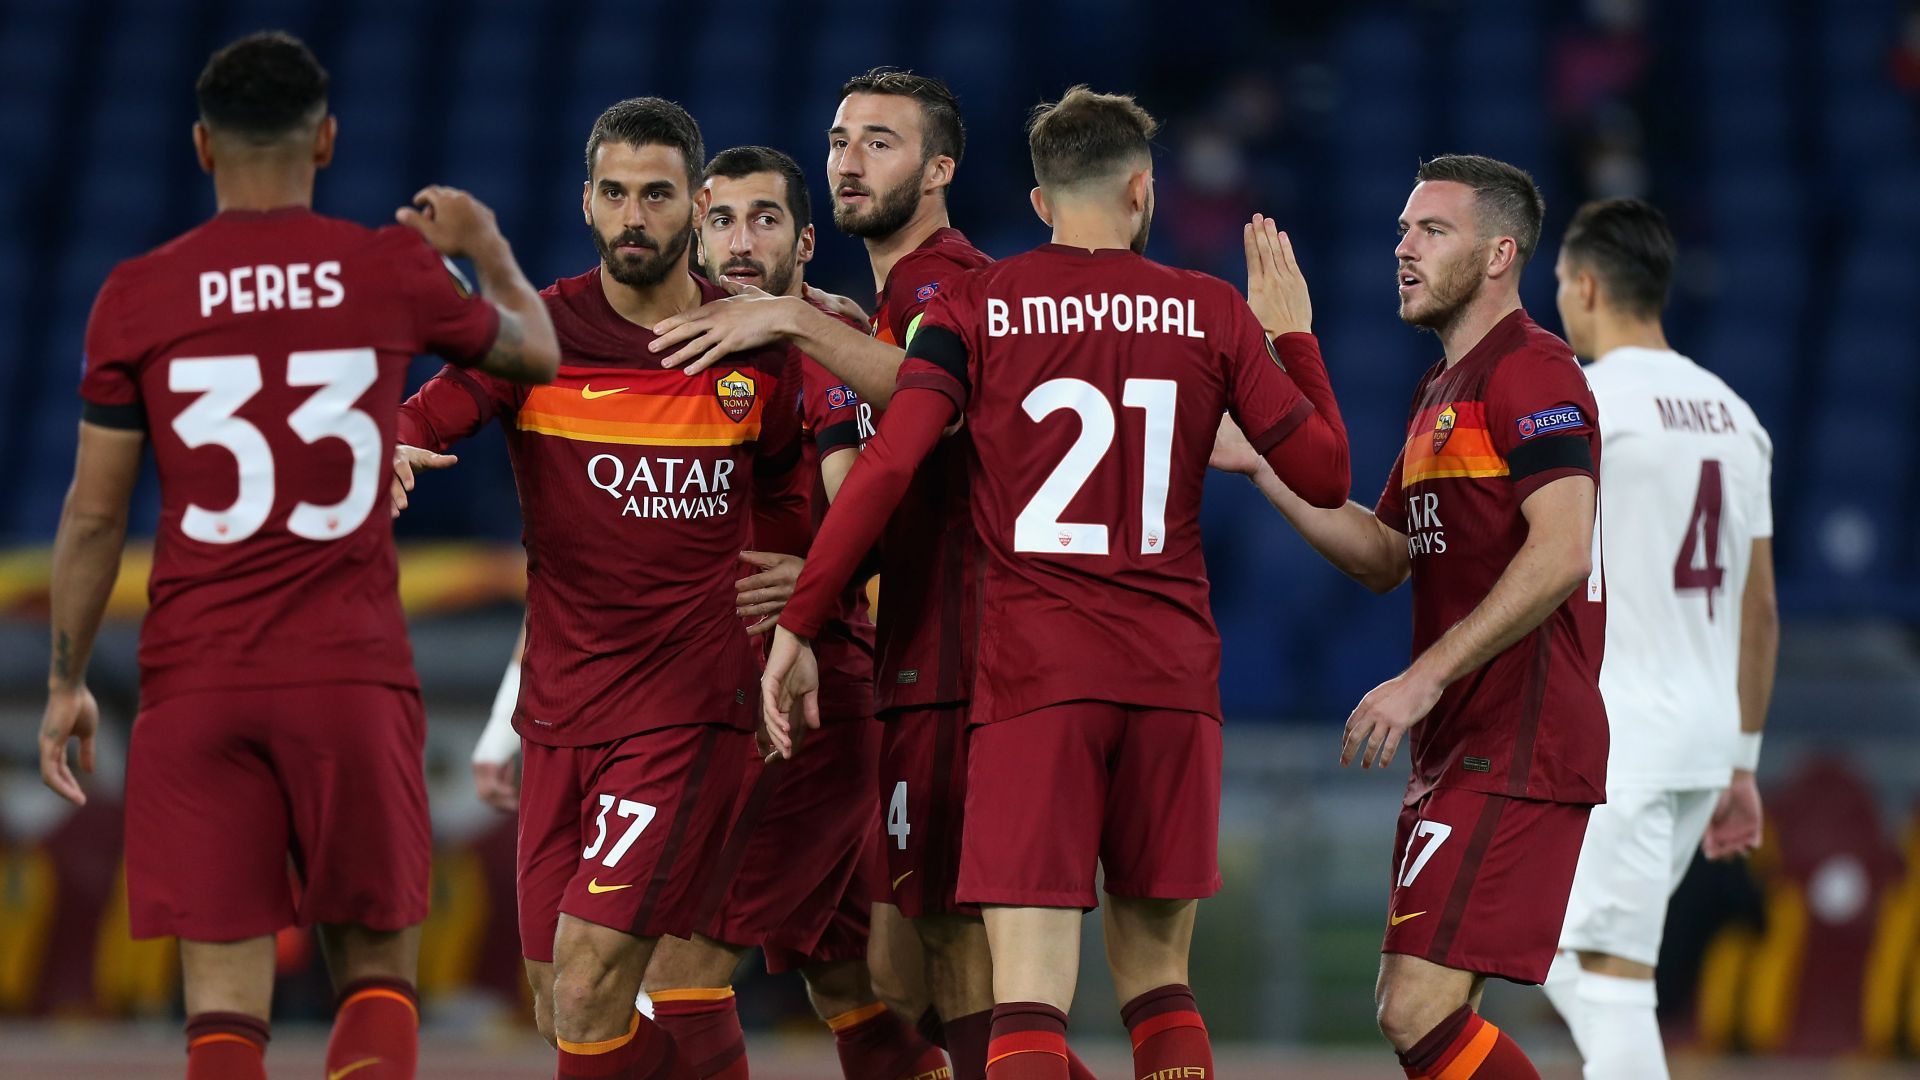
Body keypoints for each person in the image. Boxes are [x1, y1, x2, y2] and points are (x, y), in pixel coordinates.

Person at [762, 86, 1351, 1080]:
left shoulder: (975, 304)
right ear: (1142, 189)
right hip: (1169, 679)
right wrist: (1290, 335)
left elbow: (895, 466)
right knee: (1160, 985)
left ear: (1038, 202)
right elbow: (1328, 474)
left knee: (1024, 990)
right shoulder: (1208, 309)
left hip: (1033, 682)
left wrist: (800, 618)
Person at [37, 30, 558, 1080]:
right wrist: (486, 243)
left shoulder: (137, 294)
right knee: (375, 977)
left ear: (198, 146)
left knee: (223, 1011)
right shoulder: (389, 267)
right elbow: (535, 353)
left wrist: (62, 683)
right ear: (325, 140)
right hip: (347, 674)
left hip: (197, 683)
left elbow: (94, 517)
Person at [391, 98, 810, 1080]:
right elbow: (428, 411)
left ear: (695, 204)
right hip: (561, 714)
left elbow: (789, 486)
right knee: (563, 1006)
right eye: (614, 193)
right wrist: (394, 447)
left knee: (585, 984)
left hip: (687, 710)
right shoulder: (536, 335)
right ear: (586, 199)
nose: (634, 216)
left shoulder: (751, 343)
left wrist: (795, 584)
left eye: (656, 195)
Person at [648, 69, 1041, 1080]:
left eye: (880, 141)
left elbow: (919, 428)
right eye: (839, 141)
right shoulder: (873, 313)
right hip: (903, 670)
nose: (850, 161)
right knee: (878, 983)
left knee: (681, 967)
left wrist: (813, 595)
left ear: (941, 167)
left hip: (918, 674)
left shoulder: (941, 288)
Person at [1211, 154, 1606, 1079]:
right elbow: (1386, 555)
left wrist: (1422, 678)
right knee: (1426, 1020)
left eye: (1432, 231)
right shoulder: (1442, 393)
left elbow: (1562, 549)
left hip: (1520, 736)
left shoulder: (1534, 372)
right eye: (1399, 231)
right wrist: (1263, 462)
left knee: (1412, 1008)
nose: (1403, 248)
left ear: (1500, 253)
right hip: (1464, 743)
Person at [631, 144, 951, 1080]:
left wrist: (817, 574)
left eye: (764, 219)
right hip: (739, 693)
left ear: (806, 239)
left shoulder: (812, 345)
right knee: (856, 984)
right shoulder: (688, 343)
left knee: (677, 962)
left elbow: (864, 488)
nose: (740, 240)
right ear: (696, 229)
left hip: (803, 703)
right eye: (722, 219)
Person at [1541, 197, 1775, 1080]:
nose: (1559, 296)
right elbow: (1760, 609)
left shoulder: (1591, 407)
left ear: (1589, 285)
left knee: (1604, 978)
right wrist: (1744, 761)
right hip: (1705, 741)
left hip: (1625, 735)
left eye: (1561, 281)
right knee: (1578, 958)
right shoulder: (1736, 418)